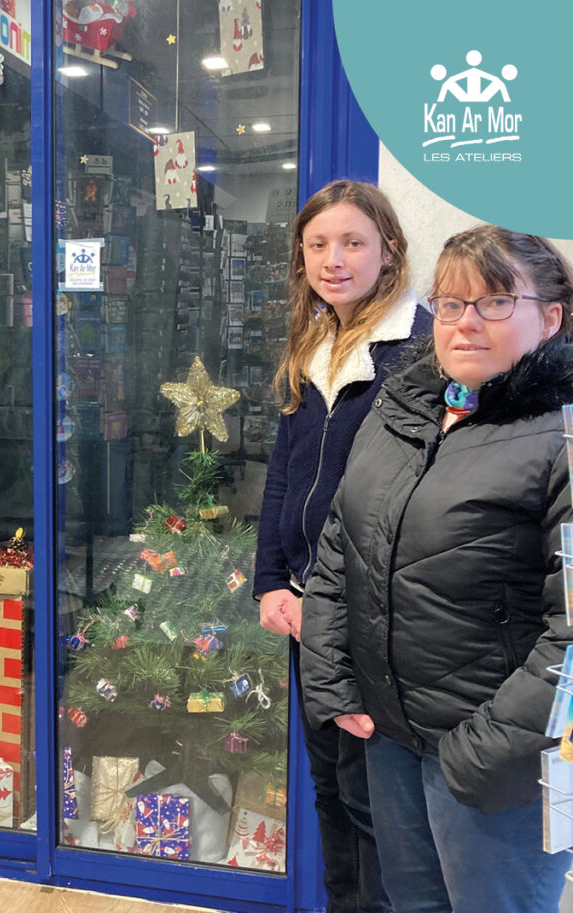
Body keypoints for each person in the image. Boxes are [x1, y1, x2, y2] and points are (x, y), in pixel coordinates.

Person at [300, 224, 573, 913]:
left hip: (498, 769)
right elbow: (340, 545)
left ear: (552, 317)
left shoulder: (562, 438)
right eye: (450, 304)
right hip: (392, 739)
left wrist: (476, 755)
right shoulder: (405, 407)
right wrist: (333, 677)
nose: (465, 322)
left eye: (494, 302)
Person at [254, 179, 430, 912]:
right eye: (318, 244)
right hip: (305, 612)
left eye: (353, 241)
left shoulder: (419, 351)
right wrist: (270, 578)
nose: (334, 258)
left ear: (387, 249)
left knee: (373, 809)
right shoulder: (316, 340)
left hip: (370, 619)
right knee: (328, 790)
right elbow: (284, 473)